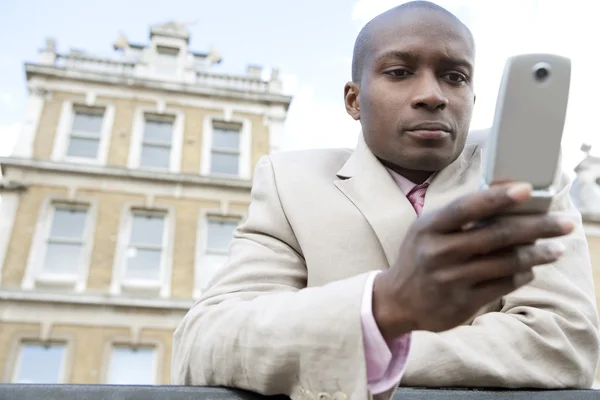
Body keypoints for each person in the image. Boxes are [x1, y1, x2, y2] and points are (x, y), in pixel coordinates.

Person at [171, 2, 600, 399]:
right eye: (399, 72)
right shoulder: (289, 182)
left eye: (455, 76)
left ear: (473, 98)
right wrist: (385, 305)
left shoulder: (530, 173)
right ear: (354, 100)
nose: (432, 94)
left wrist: (371, 349)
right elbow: (206, 344)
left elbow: (562, 343)